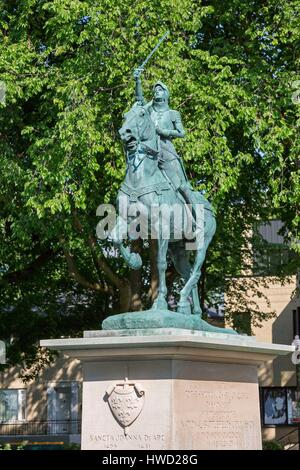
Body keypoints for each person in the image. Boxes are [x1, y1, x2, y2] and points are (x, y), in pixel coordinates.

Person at [133, 68, 195, 205]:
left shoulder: (173, 113)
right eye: (155, 91)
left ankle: (198, 219)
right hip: (150, 152)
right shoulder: (149, 110)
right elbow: (139, 100)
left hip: (167, 152)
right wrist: (138, 81)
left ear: (166, 94)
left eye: (160, 90)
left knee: (183, 186)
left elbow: (182, 132)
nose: (156, 92)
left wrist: (164, 131)